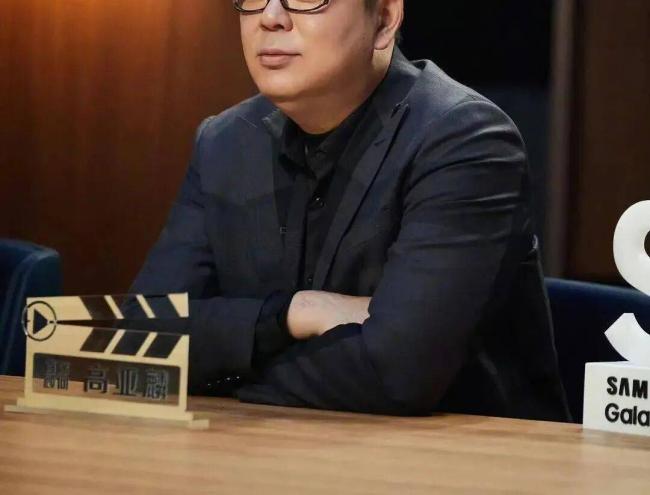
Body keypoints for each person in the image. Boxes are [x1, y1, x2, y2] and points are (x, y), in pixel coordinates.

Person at [129, 0, 570, 420]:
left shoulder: (466, 141)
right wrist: (293, 313)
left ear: (384, 19)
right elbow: (137, 335)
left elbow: (396, 373)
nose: (271, 17)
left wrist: (222, 366)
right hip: (281, 448)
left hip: (464, 456)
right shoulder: (224, 142)